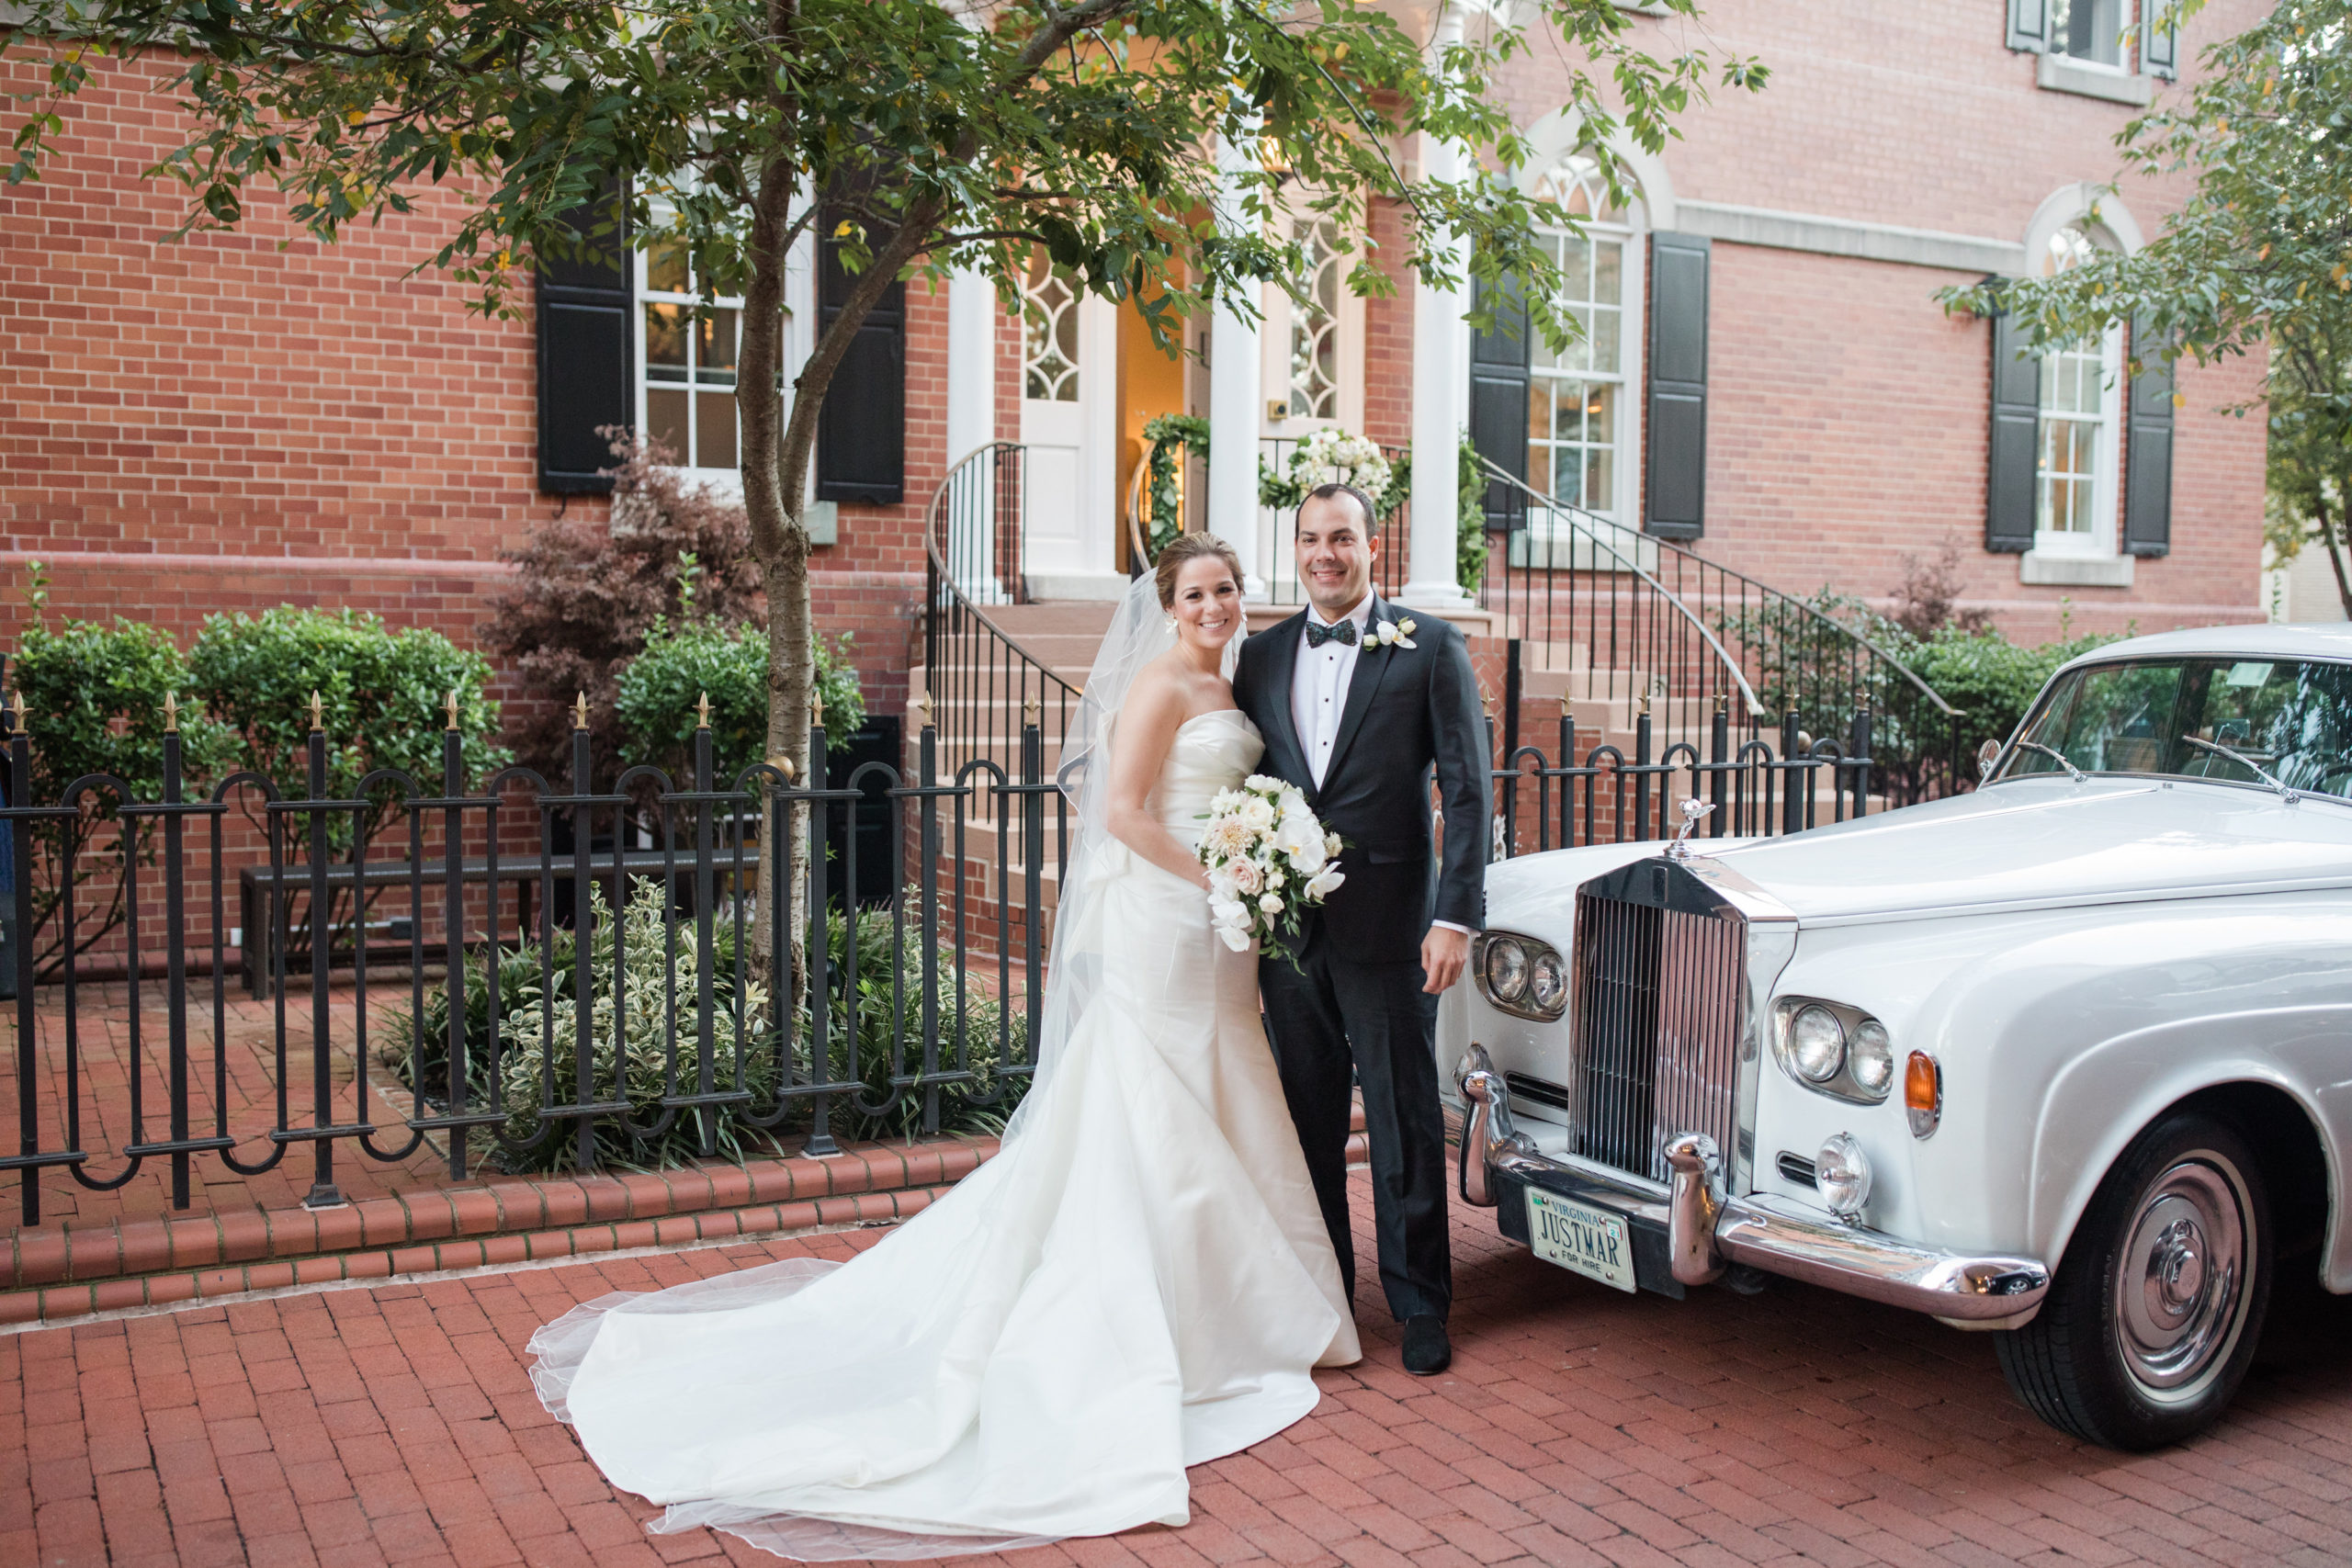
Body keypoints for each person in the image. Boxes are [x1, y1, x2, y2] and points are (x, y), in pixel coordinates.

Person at [525, 533, 1360, 1562]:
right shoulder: (1156, 685)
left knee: (1225, 1081)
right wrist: (1220, 875)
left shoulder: (1230, 678)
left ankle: (1246, 1310)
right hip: (1168, 914)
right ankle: (1181, 1322)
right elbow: (1122, 814)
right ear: (1167, 600)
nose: (1216, 604)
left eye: (1227, 589)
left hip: (1219, 930)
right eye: (1197, 591)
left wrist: (1254, 864)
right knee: (1156, 1095)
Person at [1231, 482, 1489, 1378]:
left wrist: (1455, 915)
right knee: (1304, 1125)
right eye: (1310, 539)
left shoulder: (1429, 647)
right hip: (1288, 935)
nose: (1324, 555)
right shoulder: (1258, 656)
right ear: (1295, 547)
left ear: (1371, 545)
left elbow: (1465, 788)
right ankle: (1326, 1299)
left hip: (1393, 928)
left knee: (1403, 1116)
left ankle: (1420, 1303)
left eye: (1340, 538)